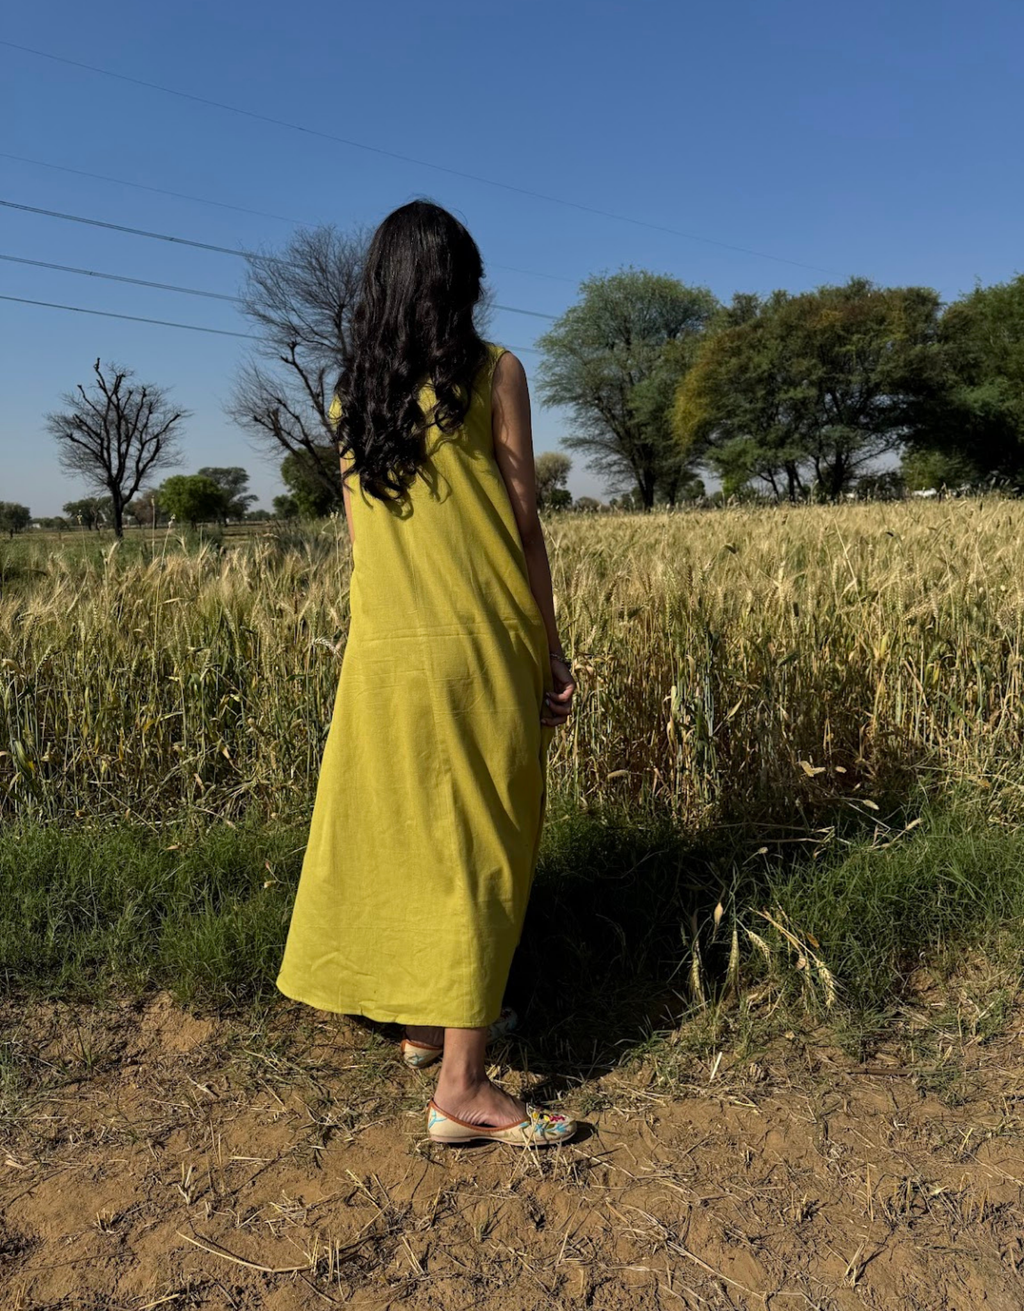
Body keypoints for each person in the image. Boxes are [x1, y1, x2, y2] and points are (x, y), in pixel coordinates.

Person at [275, 199, 579, 1148]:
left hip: (382, 652)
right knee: (484, 840)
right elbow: (523, 523)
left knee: (408, 832)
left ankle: (423, 1021)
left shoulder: (348, 396)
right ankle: (464, 1087)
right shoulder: (496, 373)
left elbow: (364, 544)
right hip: (478, 640)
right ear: (463, 282)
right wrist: (552, 643)